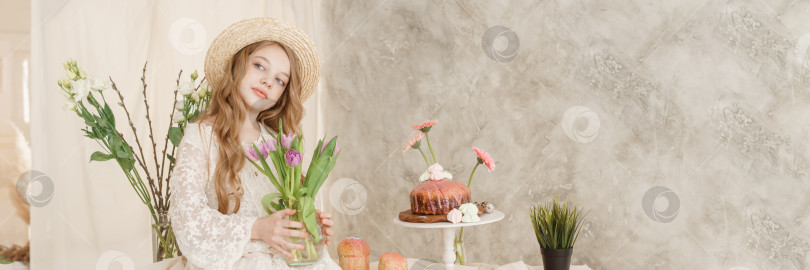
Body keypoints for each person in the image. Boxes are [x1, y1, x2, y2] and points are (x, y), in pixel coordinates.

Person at [169, 17, 339, 269]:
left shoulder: (278, 144)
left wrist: (307, 221)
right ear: (238, 65)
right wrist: (257, 228)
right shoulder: (201, 137)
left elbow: (288, 209)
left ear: (283, 94)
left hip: (283, 259)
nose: (269, 81)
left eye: (280, 80)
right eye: (260, 66)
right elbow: (188, 218)